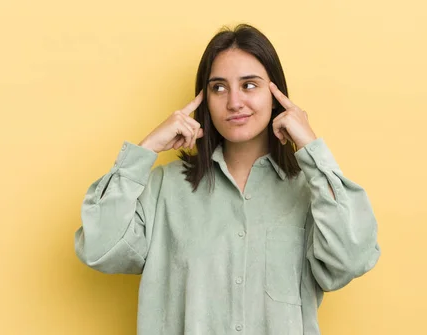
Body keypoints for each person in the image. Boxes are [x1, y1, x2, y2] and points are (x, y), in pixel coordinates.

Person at [74, 23, 380, 335]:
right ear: (204, 99)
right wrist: (146, 148)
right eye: (219, 87)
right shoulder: (164, 188)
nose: (234, 102)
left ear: (275, 95)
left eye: (249, 85)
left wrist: (312, 149)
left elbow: (352, 258)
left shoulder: (311, 192)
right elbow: (99, 247)